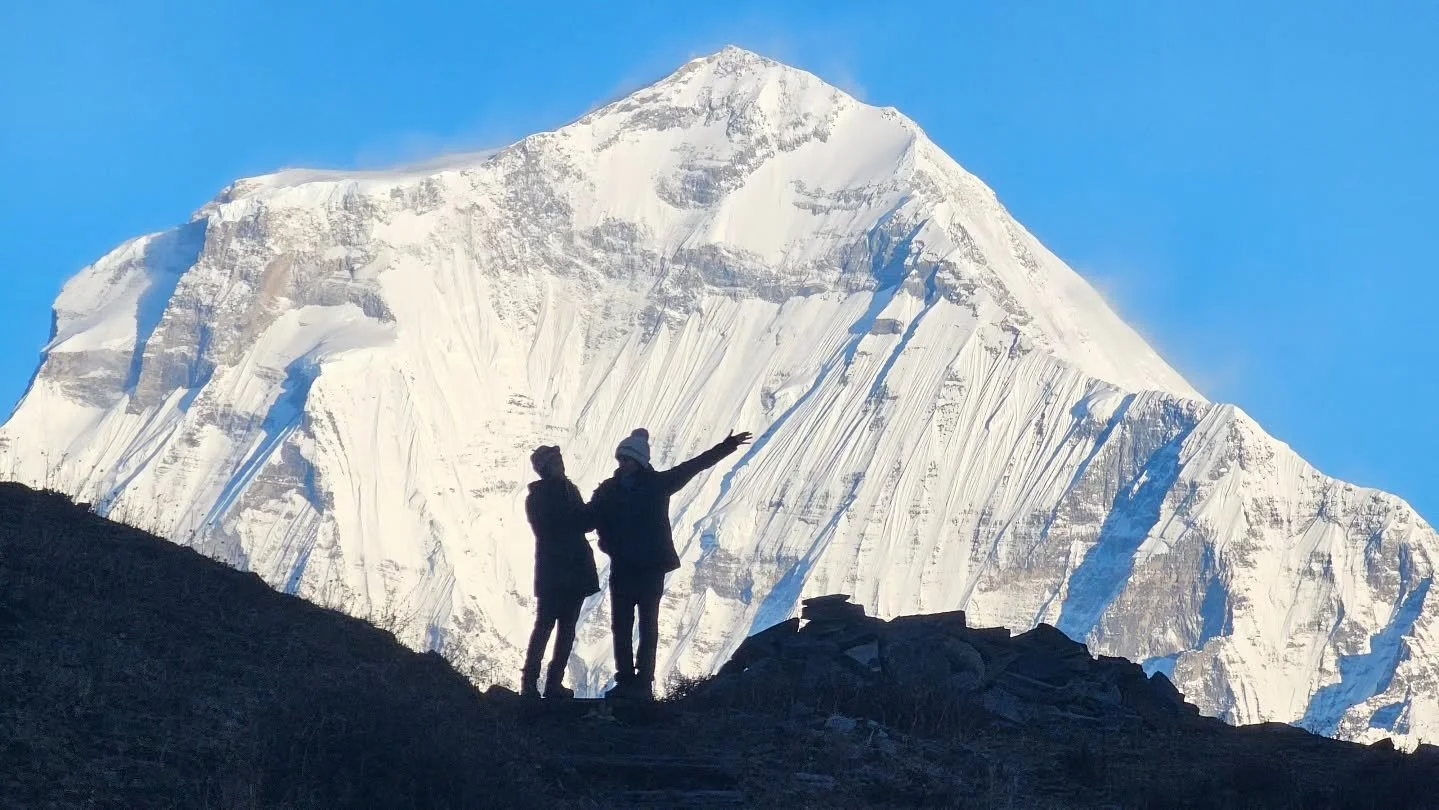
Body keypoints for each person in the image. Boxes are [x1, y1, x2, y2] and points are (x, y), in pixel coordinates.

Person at [590, 427, 753, 700]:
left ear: (639, 461)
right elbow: (590, 516)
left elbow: (695, 465)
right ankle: (627, 681)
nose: (622, 464)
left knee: (646, 626)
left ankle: (643, 682)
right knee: (622, 626)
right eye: (620, 459)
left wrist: (727, 446)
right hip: (629, 566)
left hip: (646, 568)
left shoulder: (651, 484)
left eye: (627, 459)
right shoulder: (613, 489)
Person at [521, 445, 600, 699]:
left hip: (563, 571)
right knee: (548, 627)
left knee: (563, 629)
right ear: (546, 468)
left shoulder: (560, 492)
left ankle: (549, 683)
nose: (561, 466)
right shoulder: (543, 497)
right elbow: (566, 525)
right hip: (559, 571)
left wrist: (591, 512)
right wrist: (589, 512)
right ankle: (533, 684)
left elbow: (580, 522)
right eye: (556, 462)